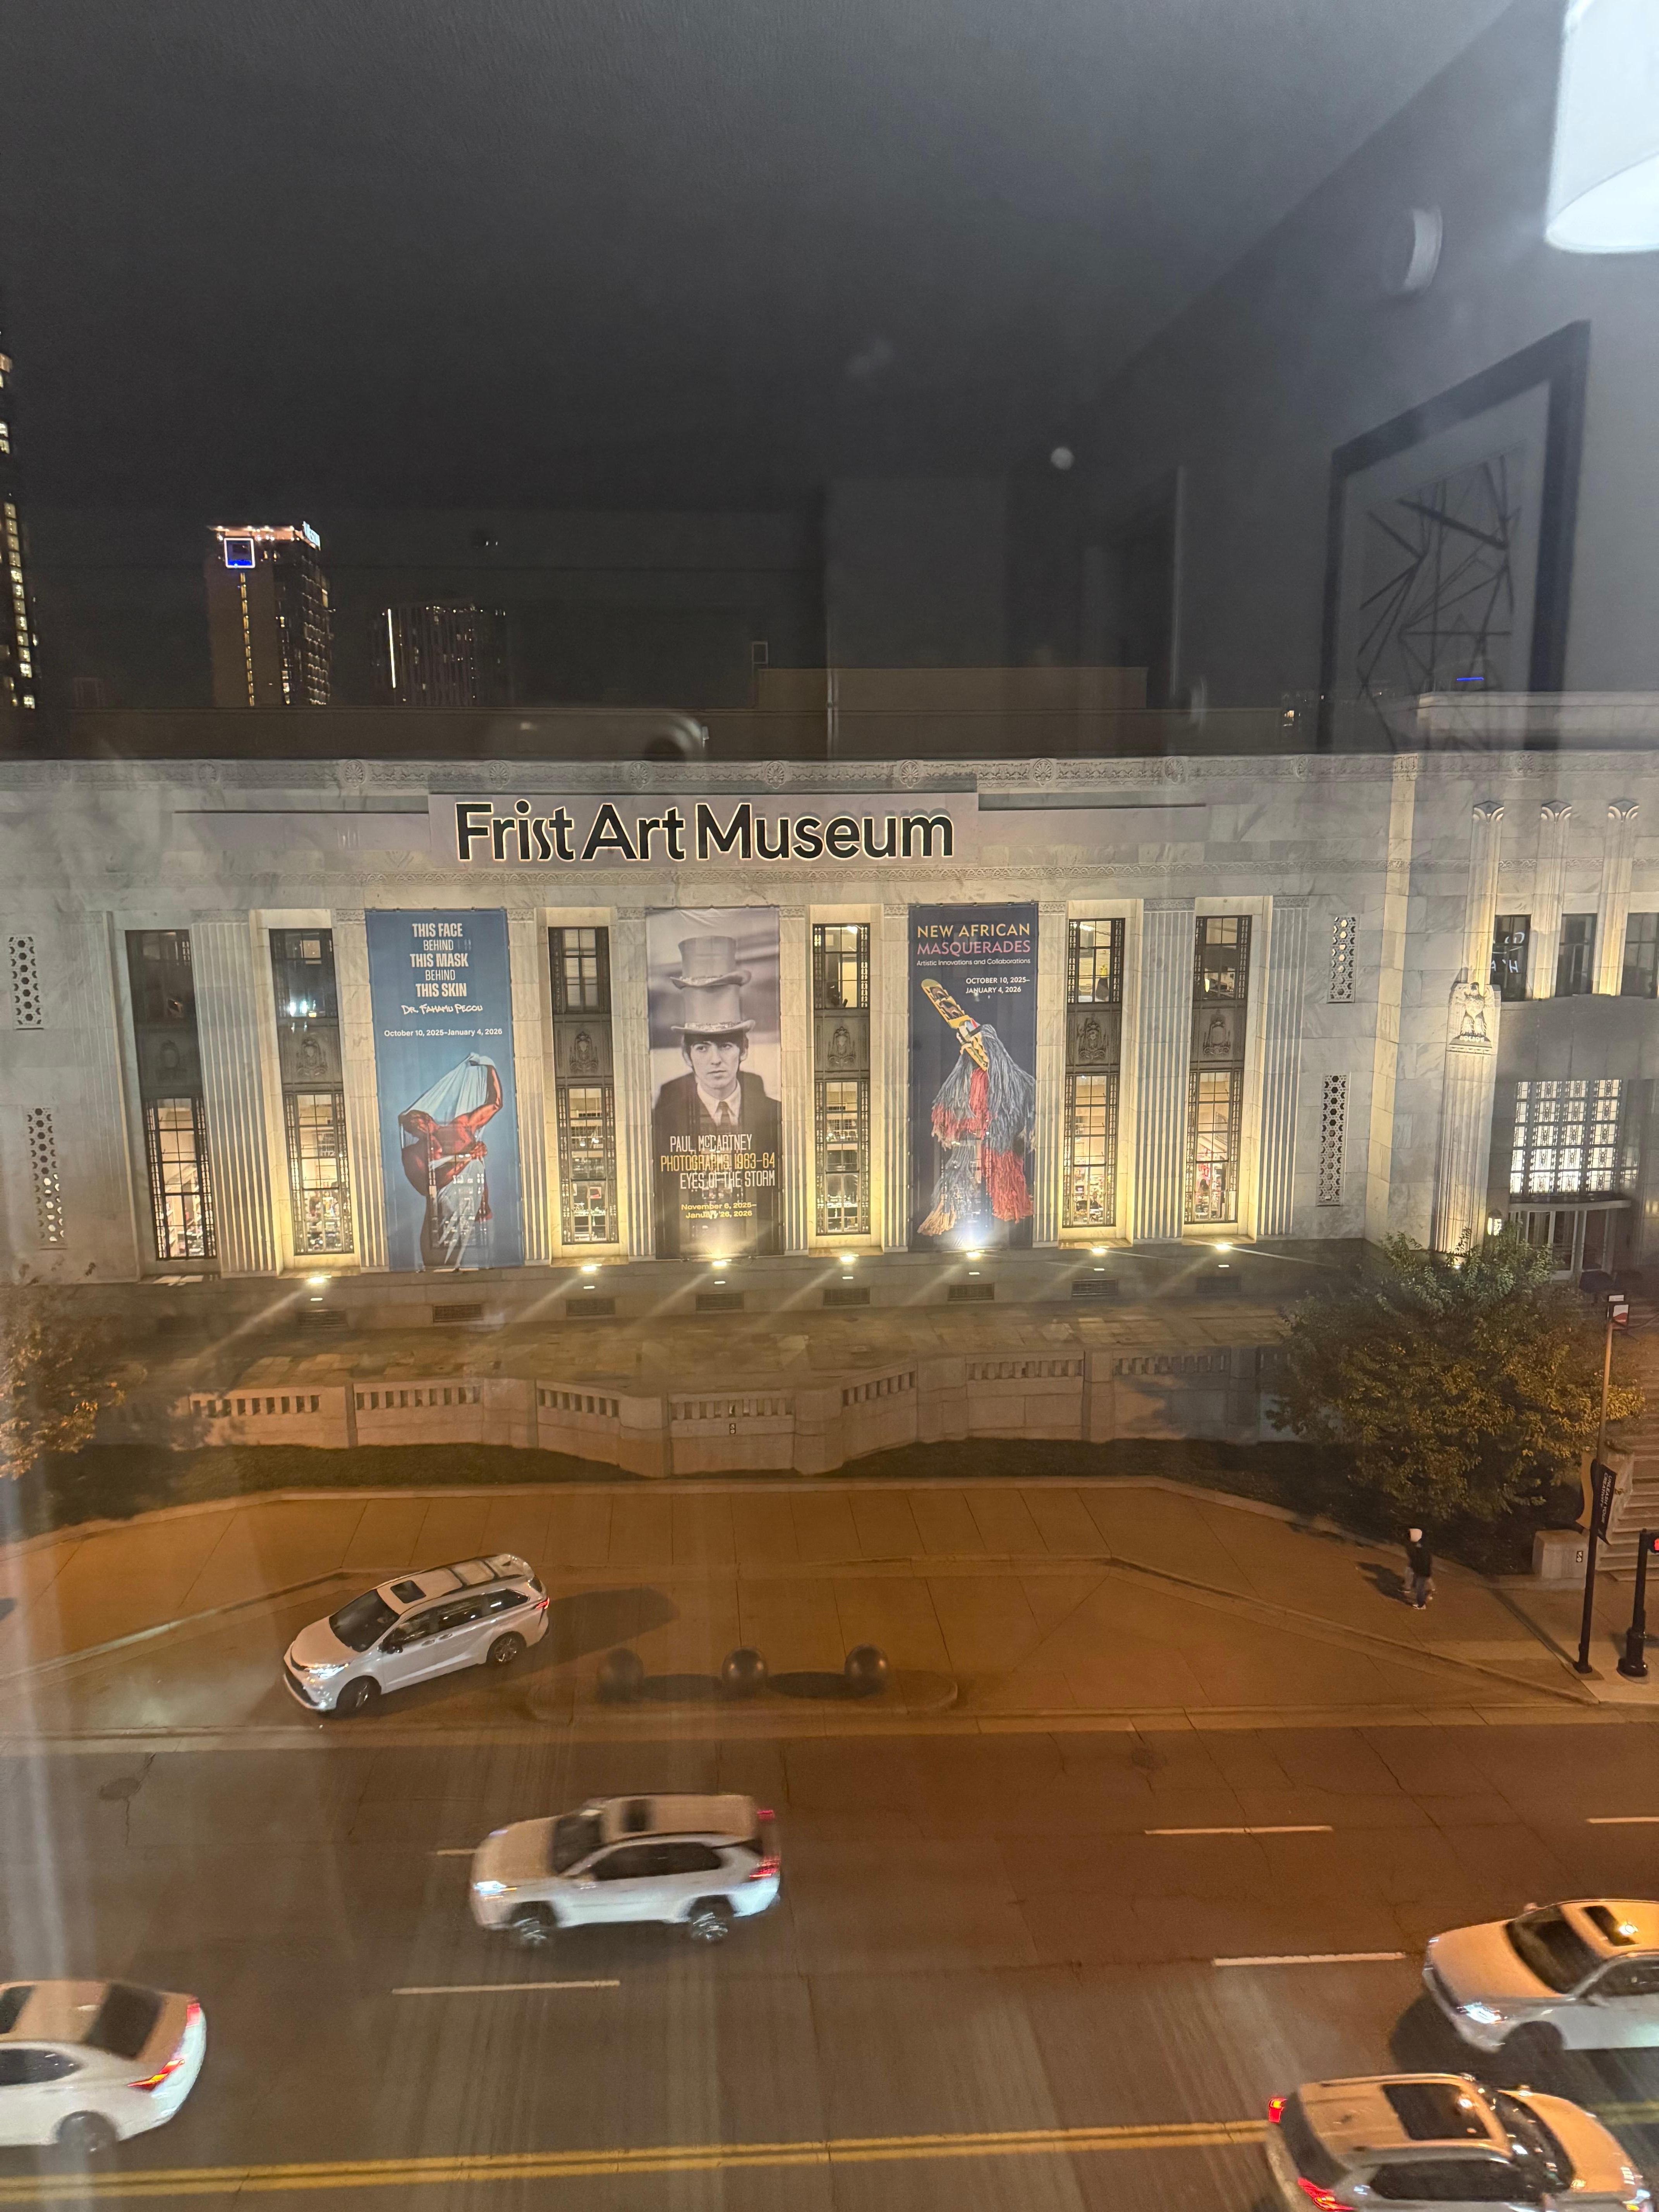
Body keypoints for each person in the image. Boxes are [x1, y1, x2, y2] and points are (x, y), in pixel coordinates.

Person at [651, 936, 781, 1257]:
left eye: (725, 1046)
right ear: (686, 1056)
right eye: (702, 1047)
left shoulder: (775, 1114)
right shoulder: (663, 1120)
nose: (715, 1060)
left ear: (744, 1050)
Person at [1405, 1526, 1434, 1609]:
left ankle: (1422, 1604)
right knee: (1420, 1585)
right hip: (1422, 1570)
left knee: (1420, 1587)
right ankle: (1429, 1593)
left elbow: (1421, 1560)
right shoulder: (1422, 1546)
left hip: (1422, 1570)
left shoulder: (1420, 1548)